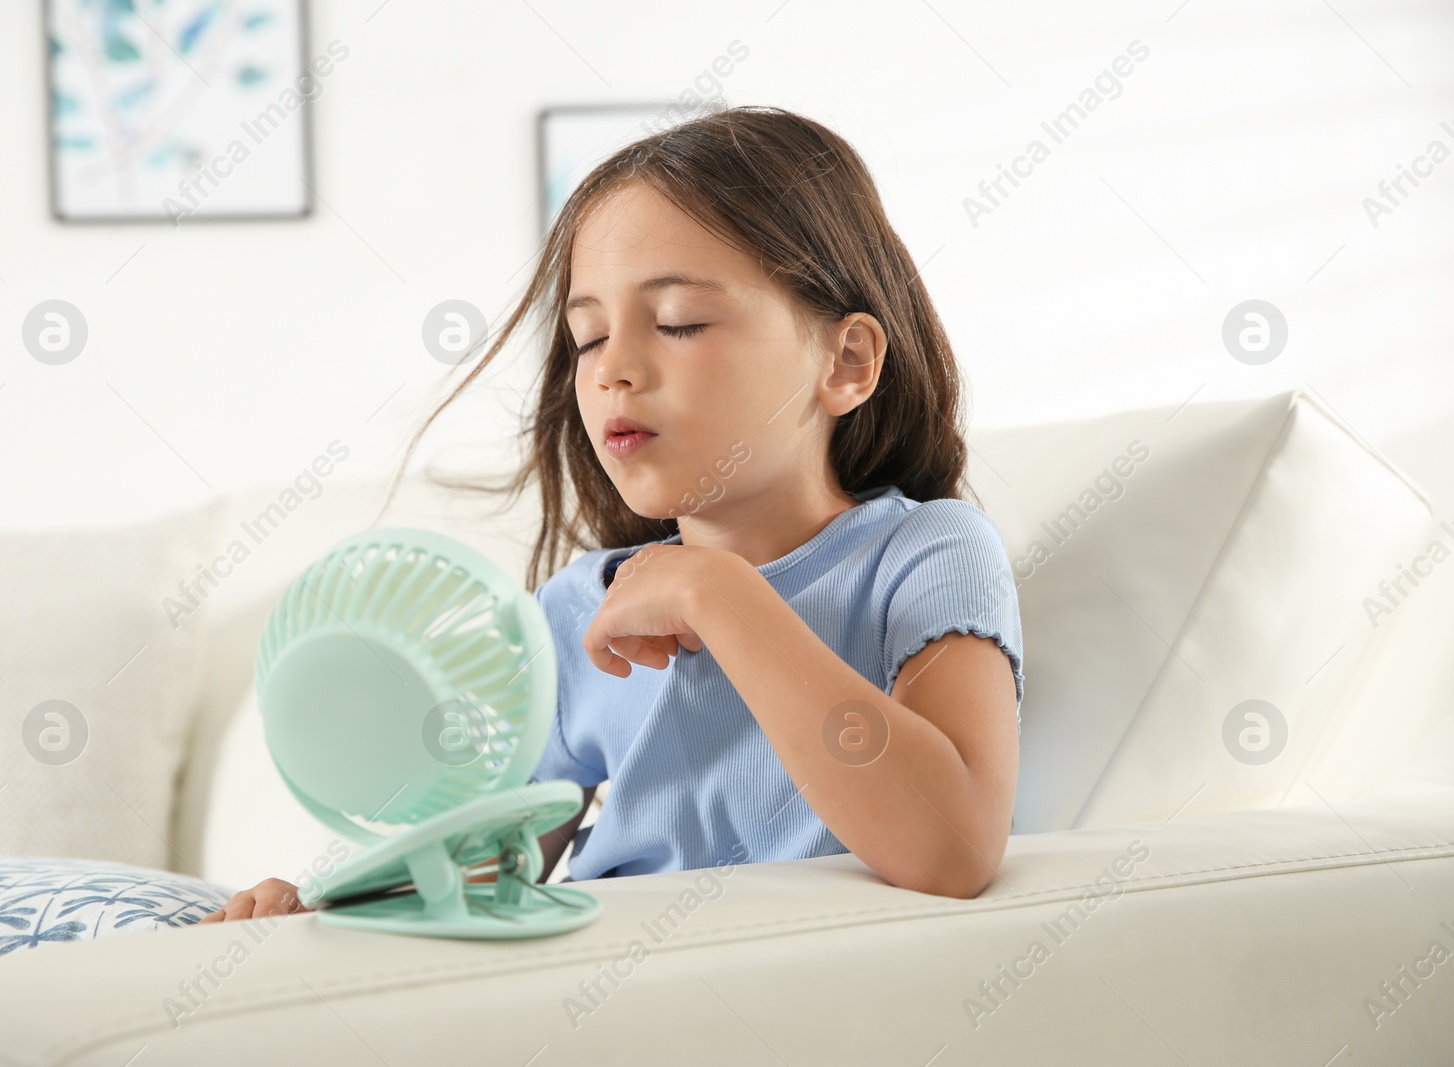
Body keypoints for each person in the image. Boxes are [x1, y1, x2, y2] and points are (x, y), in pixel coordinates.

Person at [200, 105, 1023, 925]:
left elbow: (950, 849)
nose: (613, 370)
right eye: (588, 337)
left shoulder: (929, 553)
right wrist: (325, 909)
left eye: (678, 322)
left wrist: (720, 596)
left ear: (846, 362)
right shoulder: (579, 610)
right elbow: (476, 875)